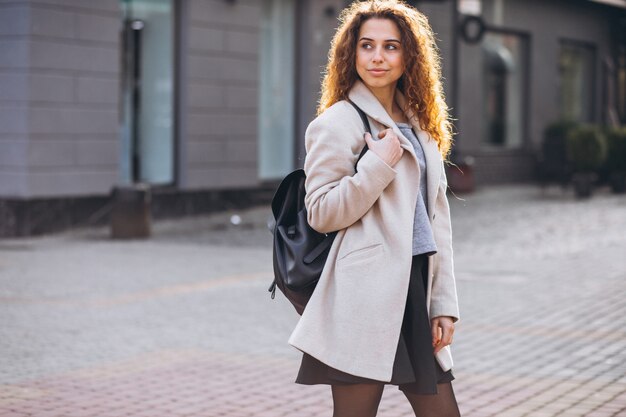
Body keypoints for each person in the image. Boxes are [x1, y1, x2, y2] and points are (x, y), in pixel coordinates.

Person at [288, 1, 461, 416]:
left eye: (390, 46)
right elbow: (322, 212)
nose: (378, 57)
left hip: (415, 284)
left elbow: (438, 222)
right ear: (352, 53)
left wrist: (444, 305)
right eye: (367, 46)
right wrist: (378, 166)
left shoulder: (421, 125)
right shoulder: (336, 123)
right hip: (364, 294)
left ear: (409, 56)